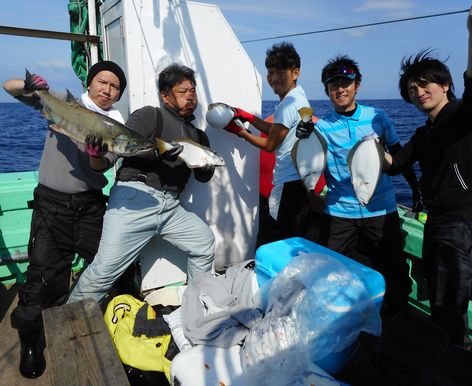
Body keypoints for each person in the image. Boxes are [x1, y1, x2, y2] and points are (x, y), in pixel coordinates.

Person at [384, 0, 472, 349]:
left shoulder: (464, 115)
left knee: (448, 309)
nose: (418, 92)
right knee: (442, 304)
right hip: (438, 223)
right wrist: (364, 146)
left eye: (424, 84)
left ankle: (455, 367)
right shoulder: (424, 133)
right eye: (412, 89)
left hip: (465, 224)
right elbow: (395, 165)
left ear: (445, 85)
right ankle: (452, 358)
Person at [3, 60, 127, 378]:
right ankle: (31, 341)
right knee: (42, 277)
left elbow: (102, 168)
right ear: (90, 83)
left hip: (90, 207)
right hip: (52, 206)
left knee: (111, 265)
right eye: (102, 82)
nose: (107, 90)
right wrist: (33, 87)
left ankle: (113, 323)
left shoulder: (115, 124)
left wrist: (96, 155)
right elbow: (9, 87)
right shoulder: (63, 101)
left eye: (114, 87)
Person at [67, 63, 215, 304]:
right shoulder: (150, 116)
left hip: (170, 207)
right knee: (103, 273)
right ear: (165, 96)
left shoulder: (199, 136)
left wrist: (207, 167)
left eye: (193, 91)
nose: (190, 96)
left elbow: (202, 177)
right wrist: (158, 153)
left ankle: (198, 304)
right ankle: (68, 328)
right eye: (182, 91)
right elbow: (123, 146)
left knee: (203, 242)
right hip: (135, 197)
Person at [296, 55, 422, 317]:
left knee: (395, 270)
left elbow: (399, 155)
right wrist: (300, 137)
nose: (339, 89)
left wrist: (415, 190)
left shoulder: (378, 117)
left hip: (381, 210)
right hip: (340, 212)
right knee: (330, 272)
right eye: (333, 85)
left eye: (346, 83)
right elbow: (307, 158)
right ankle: (335, 316)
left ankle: (398, 317)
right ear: (327, 91)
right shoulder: (323, 127)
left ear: (357, 85)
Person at [221, 42, 311, 249]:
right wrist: (249, 118)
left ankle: (262, 279)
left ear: (295, 72)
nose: (274, 77)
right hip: (298, 182)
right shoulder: (297, 98)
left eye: (280, 71)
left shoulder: (288, 104)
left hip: (288, 183)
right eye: (270, 72)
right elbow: (277, 132)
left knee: (269, 240)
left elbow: (269, 144)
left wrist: (239, 132)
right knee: (289, 239)